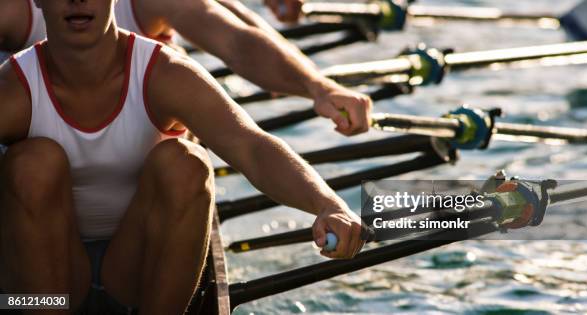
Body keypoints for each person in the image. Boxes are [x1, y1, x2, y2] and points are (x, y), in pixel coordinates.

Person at [0, 0, 367, 313]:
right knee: (32, 165)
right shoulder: (12, 89)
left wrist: (327, 203)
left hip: (137, 266)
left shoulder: (166, 75)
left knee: (186, 164)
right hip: (41, 289)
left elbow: (252, 147)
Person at [0, 0, 371, 137]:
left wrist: (319, 87)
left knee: (184, 164)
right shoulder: (14, 12)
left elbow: (236, 40)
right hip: (34, 169)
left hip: (149, 168)